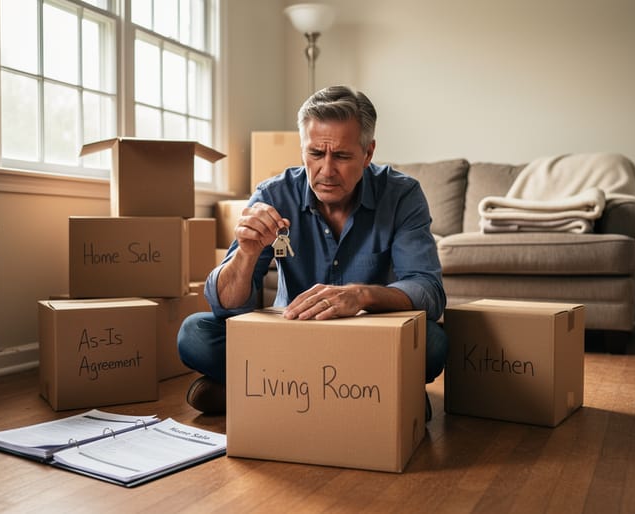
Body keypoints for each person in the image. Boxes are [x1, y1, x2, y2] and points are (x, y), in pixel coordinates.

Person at [177, 85, 448, 419]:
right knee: (195, 333)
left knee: (434, 343)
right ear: (302, 148)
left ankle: (265, 390)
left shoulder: (402, 195)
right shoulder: (273, 194)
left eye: (343, 156)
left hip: (368, 340)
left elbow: (428, 290)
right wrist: (245, 254)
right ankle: (377, 395)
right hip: (290, 339)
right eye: (316, 154)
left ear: (368, 153)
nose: (327, 170)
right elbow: (226, 306)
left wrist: (361, 295)